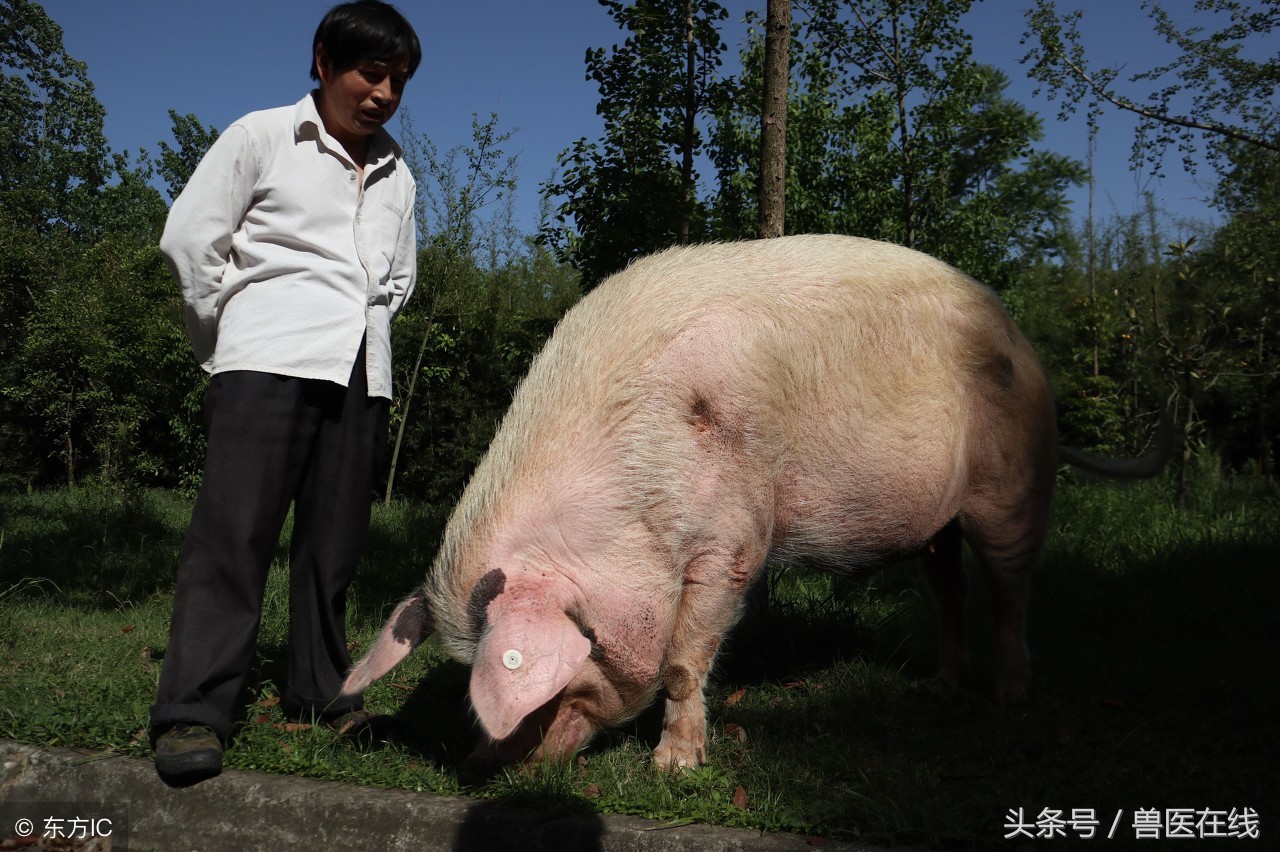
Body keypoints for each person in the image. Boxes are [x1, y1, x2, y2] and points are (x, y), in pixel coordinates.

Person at [150, 0, 421, 786]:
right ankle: (194, 711)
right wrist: (229, 343)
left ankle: (322, 689)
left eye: (398, 79)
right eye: (371, 71)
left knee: (332, 550)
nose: (383, 92)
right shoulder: (262, 135)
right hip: (266, 360)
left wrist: (365, 340)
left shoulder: (400, 171)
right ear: (324, 61)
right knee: (232, 540)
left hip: (361, 371)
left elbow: (397, 278)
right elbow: (189, 241)